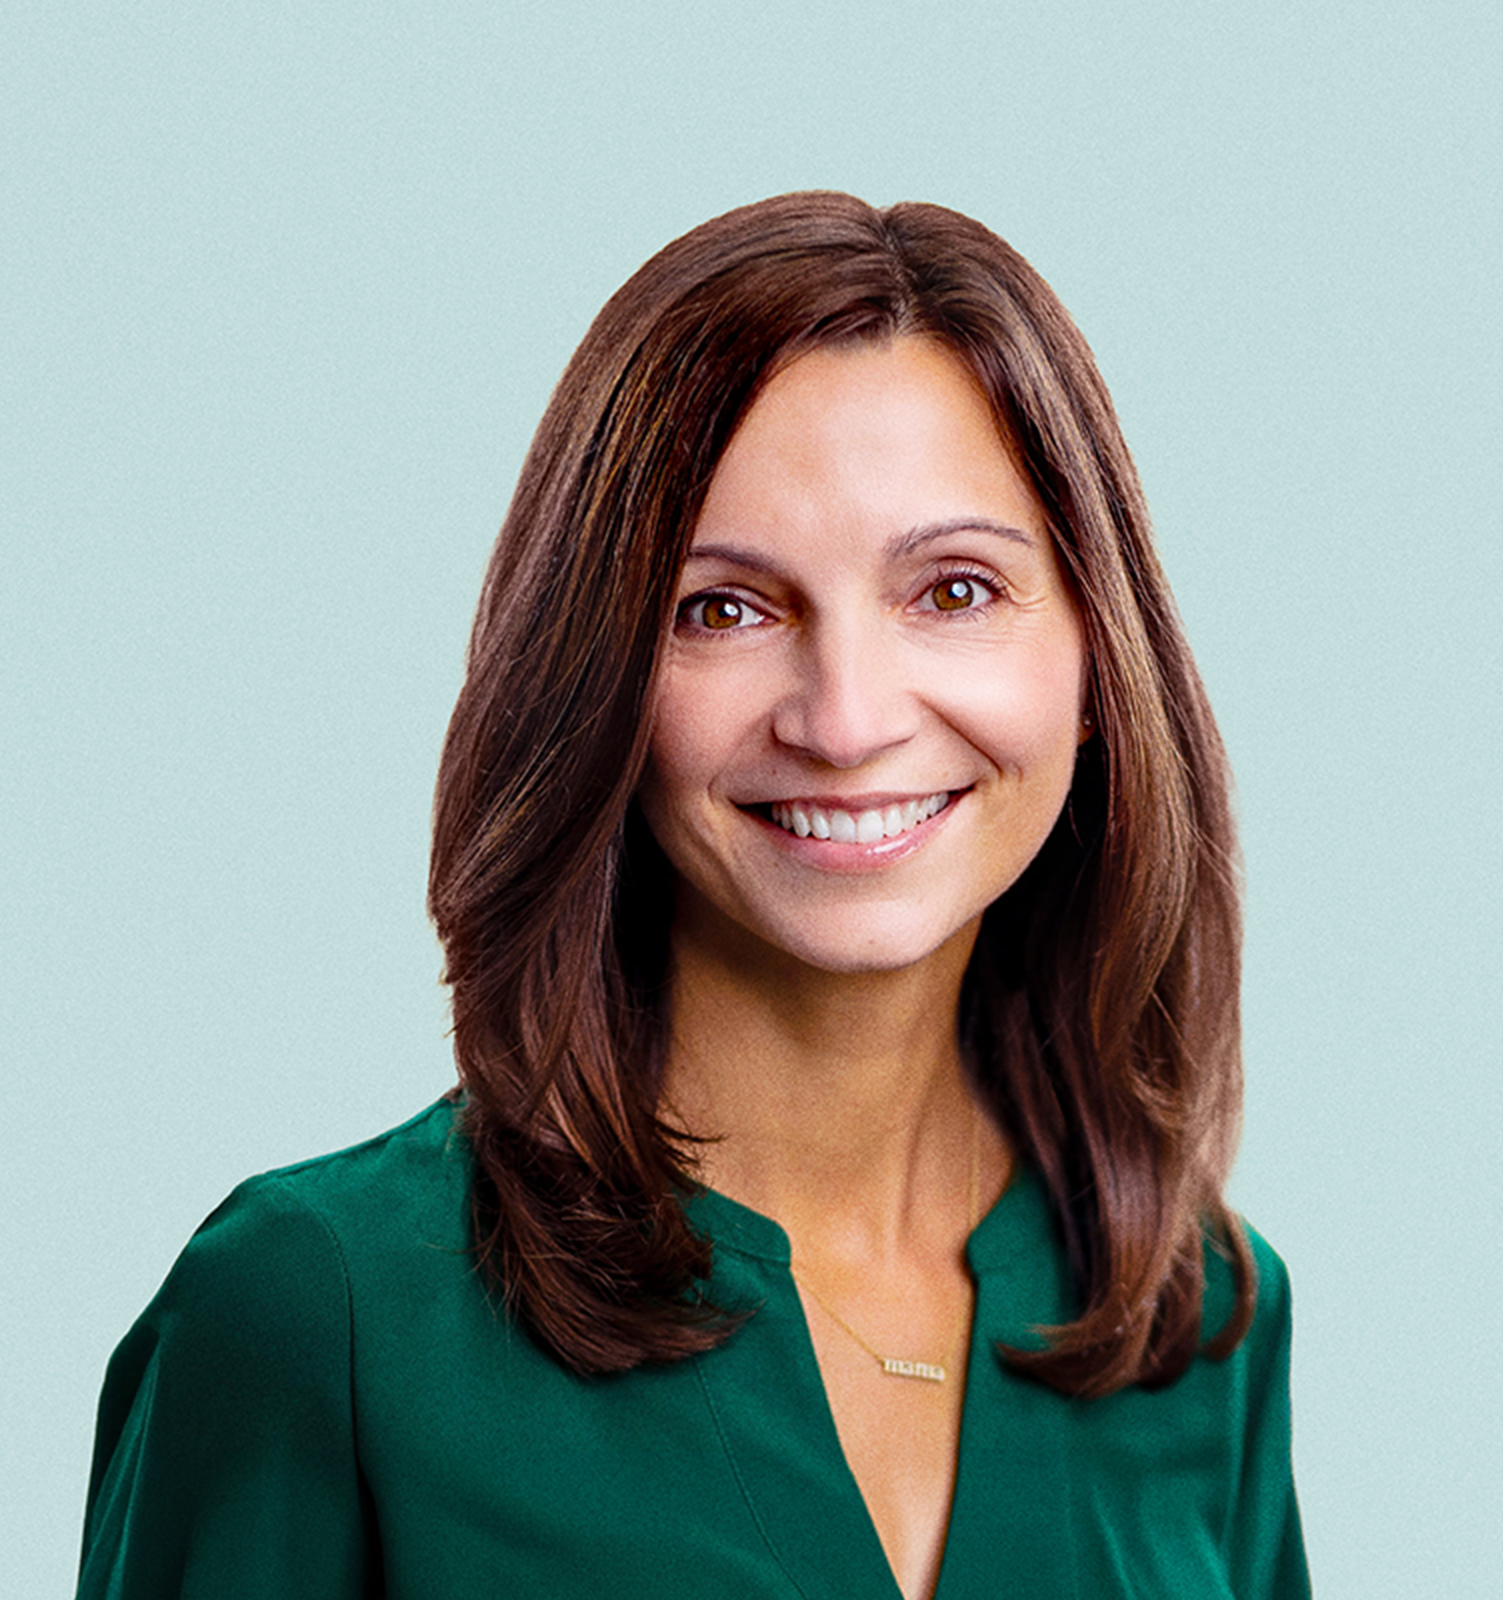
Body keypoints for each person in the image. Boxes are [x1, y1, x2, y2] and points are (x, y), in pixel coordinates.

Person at [77, 192, 1310, 1599]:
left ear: (1098, 660)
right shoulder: (321, 1314)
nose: (846, 720)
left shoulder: (1194, 1319)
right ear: (598, 684)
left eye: (954, 591)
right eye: (722, 609)